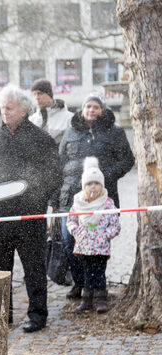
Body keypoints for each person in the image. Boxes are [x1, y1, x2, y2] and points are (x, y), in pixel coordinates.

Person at [0, 84, 63, 333]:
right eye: (1, 108)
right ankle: (2, 315)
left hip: (29, 214)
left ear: (23, 109)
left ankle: (37, 315)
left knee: (33, 268)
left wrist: (34, 196)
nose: (4, 112)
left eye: (9, 108)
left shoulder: (41, 139)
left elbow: (55, 175)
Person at [56, 92, 134, 300]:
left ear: (103, 110)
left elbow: (127, 160)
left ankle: (96, 287)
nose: (91, 110)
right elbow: (60, 162)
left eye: (96, 107)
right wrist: (57, 194)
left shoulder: (114, 132)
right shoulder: (71, 131)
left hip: (102, 198)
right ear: (82, 109)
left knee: (98, 245)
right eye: (88, 106)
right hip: (72, 197)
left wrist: (105, 176)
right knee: (69, 240)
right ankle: (80, 283)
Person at [66, 157, 120, 313]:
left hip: (101, 247)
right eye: (89, 184)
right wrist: (77, 232)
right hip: (84, 246)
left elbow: (115, 225)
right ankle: (86, 300)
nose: (93, 187)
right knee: (87, 274)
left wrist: (104, 235)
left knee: (99, 273)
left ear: (102, 185)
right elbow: (71, 220)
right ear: (84, 186)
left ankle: (101, 299)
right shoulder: (78, 203)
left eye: (96, 183)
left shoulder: (108, 203)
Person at [29, 79, 73, 145]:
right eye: (34, 94)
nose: (37, 97)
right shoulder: (31, 120)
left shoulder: (69, 118)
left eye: (40, 93)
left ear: (49, 94)